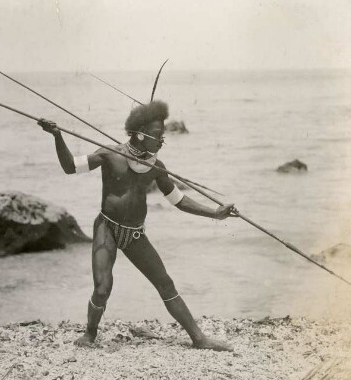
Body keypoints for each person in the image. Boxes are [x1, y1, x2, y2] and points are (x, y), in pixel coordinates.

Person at [38, 100, 237, 352]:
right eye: (156, 135)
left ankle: (199, 338)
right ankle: (90, 333)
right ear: (140, 133)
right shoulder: (110, 154)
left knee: (165, 283)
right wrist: (57, 136)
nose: (161, 141)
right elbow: (69, 167)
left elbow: (179, 200)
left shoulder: (156, 167)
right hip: (107, 228)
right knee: (102, 288)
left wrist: (215, 213)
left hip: (134, 234)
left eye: (163, 136)